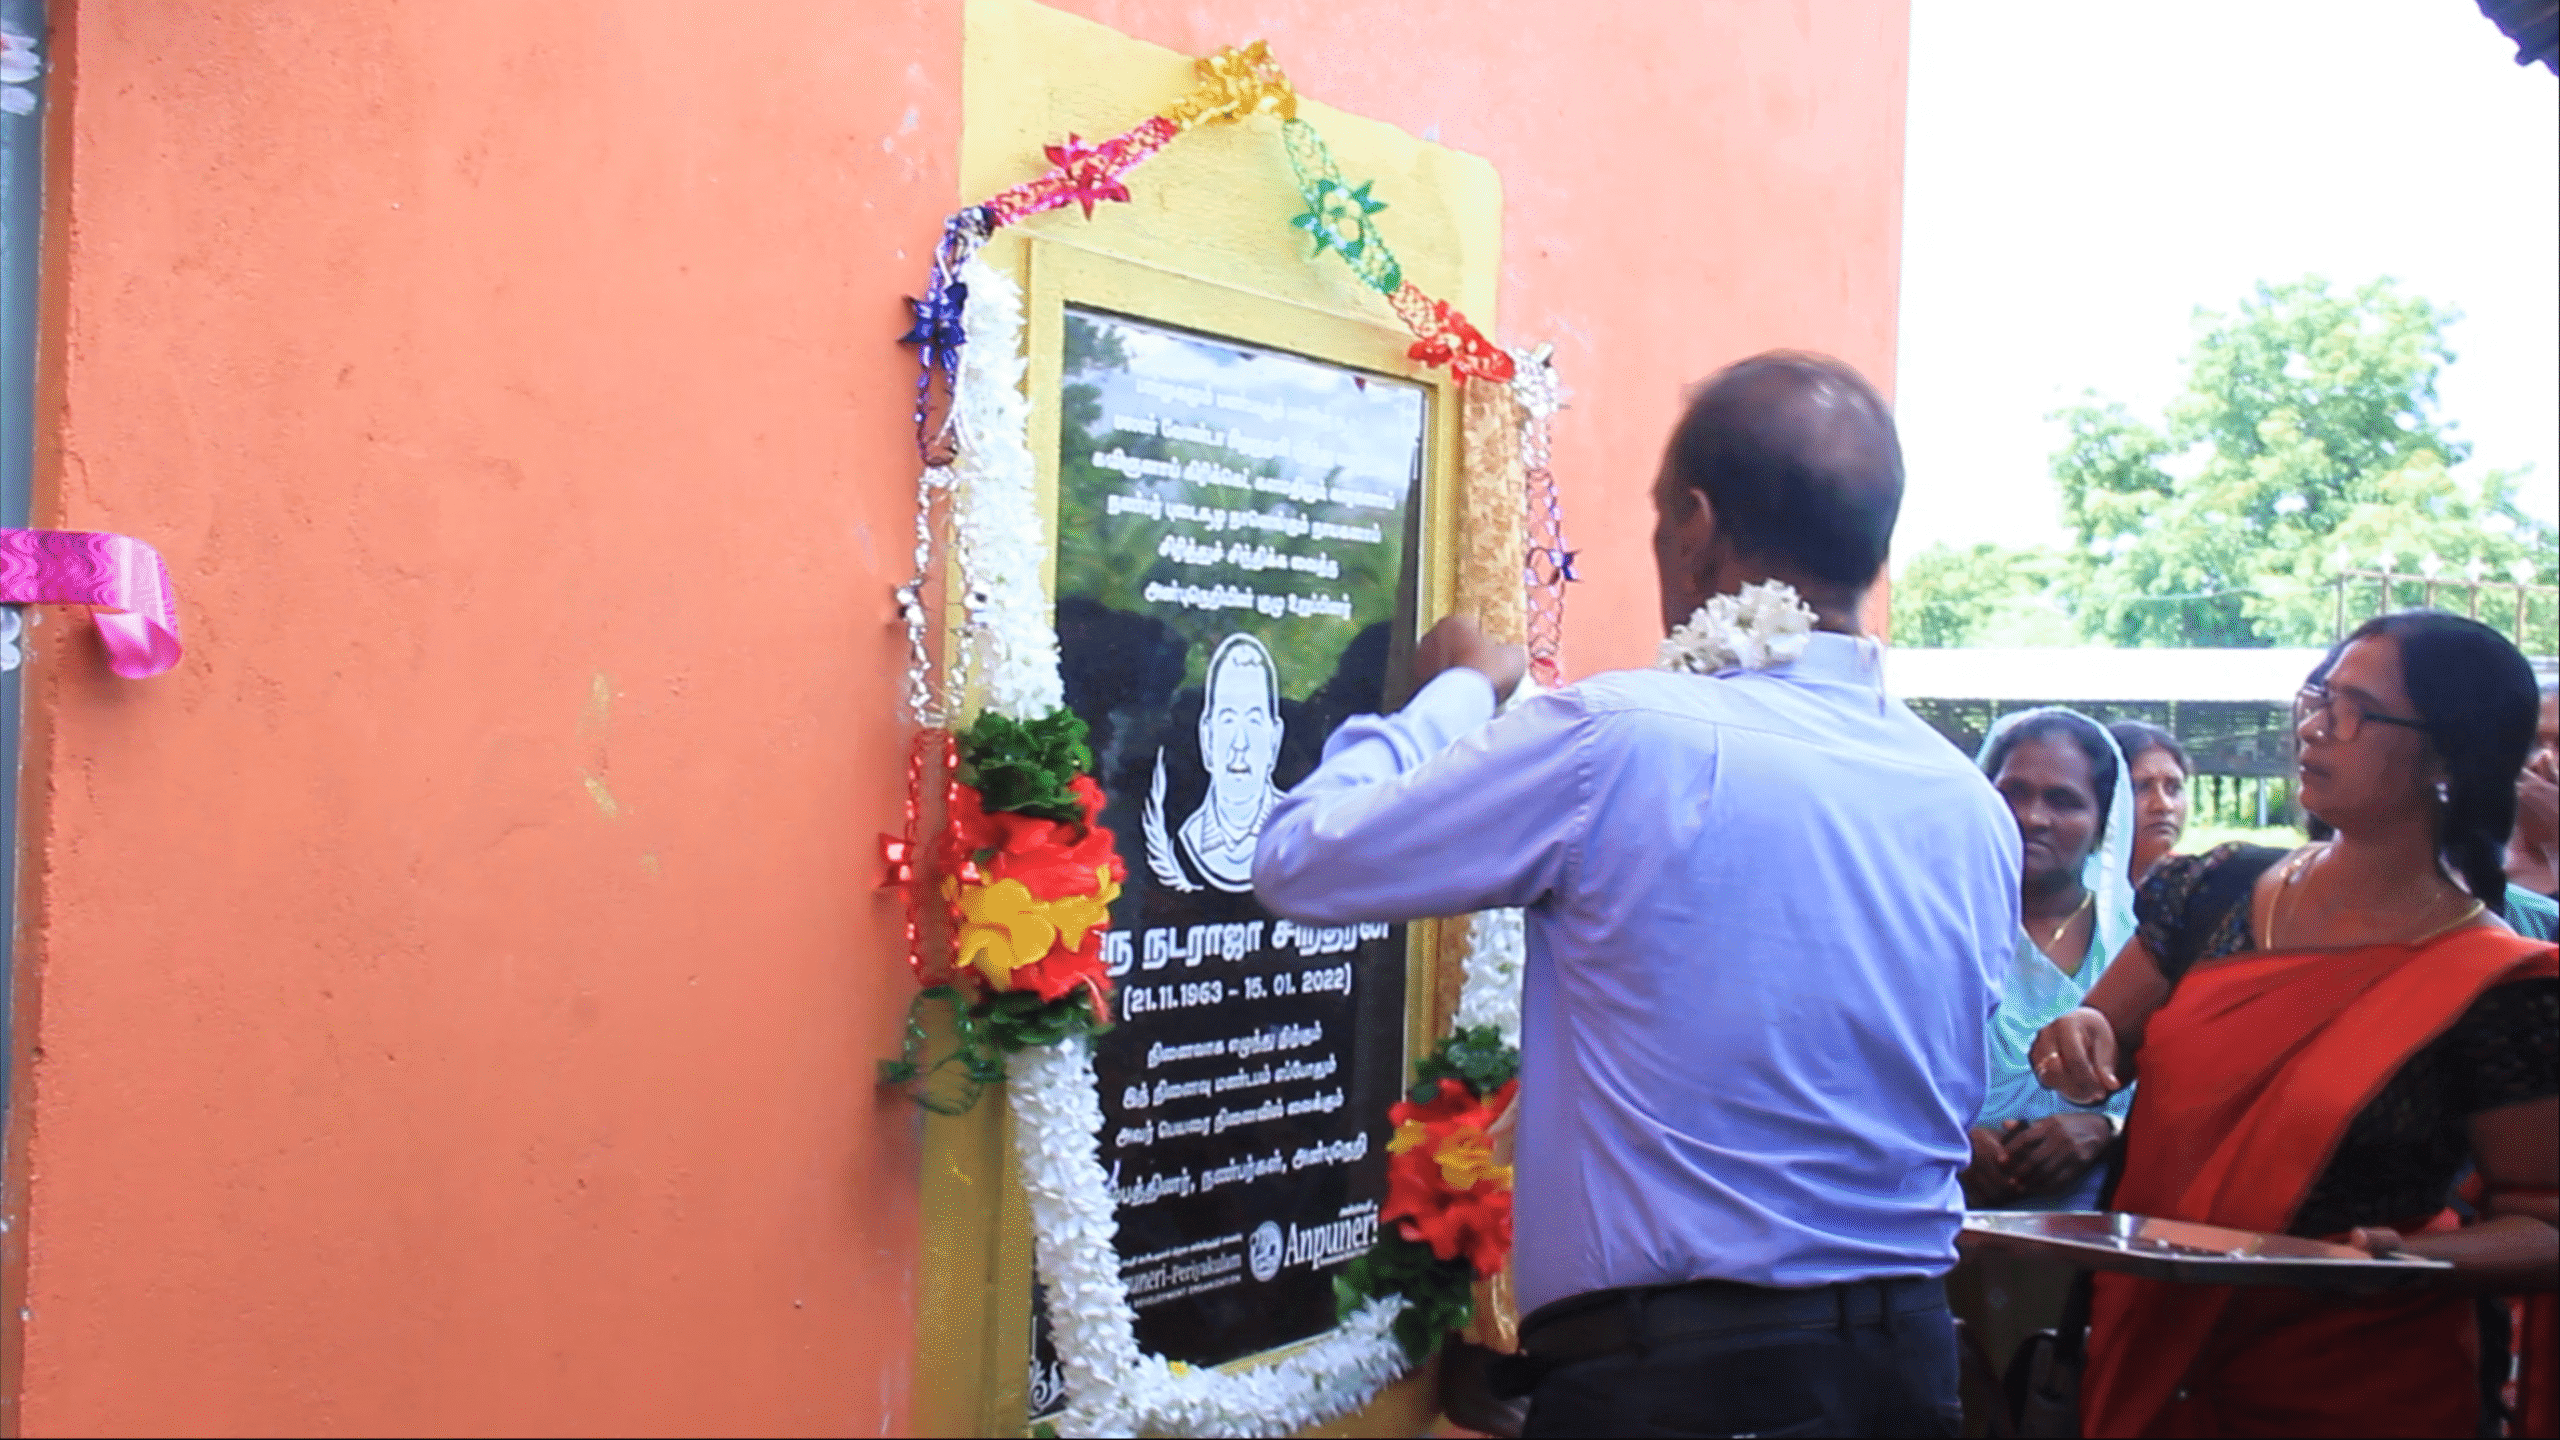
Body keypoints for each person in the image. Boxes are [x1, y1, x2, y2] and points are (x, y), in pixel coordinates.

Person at [1254, 352, 2017, 1438]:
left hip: (1689, 1385)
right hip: (1903, 1370)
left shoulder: (1619, 741)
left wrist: (1455, 692)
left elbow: (1303, 857)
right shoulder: (1965, 803)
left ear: (1696, 527)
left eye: (1660, 522)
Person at [2031, 611, 2558, 1438]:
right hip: (2144, 1362)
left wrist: (2408, 1258)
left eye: (2356, 711)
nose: (2315, 726)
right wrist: (2081, 1033)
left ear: (2450, 757)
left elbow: (2545, 1227)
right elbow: (2097, 1039)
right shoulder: (2212, 892)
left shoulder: (2500, 985)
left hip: (2356, 1385)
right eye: (2318, 696)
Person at [1965, 708, 2136, 1213]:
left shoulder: (2139, 947)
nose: (2032, 817)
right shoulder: (1936, 931)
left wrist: (2106, 1127)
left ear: (2104, 821)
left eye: (2063, 801)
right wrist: (1955, 1138)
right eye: (2012, 793)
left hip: (2098, 1231)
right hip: (1947, 1218)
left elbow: (2185, 1096)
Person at [2108, 721, 2191, 886]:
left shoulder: (2196, 888)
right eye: (2141, 787)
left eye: (2174, 788)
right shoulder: (2062, 895)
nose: (2164, 805)